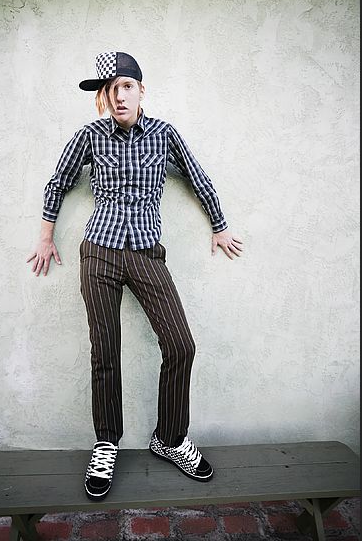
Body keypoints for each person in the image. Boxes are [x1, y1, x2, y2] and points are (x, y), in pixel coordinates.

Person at [26, 51, 244, 501]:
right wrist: (46, 237)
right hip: (100, 253)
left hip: (146, 253)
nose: (118, 95)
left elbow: (198, 179)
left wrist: (220, 226)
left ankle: (169, 438)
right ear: (103, 98)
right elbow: (58, 182)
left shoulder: (164, 135)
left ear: (141, 90)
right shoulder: (89, 136)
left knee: (181, 344)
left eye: (126, 86)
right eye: (110, 89)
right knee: (105, 351)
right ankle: (106, 443)